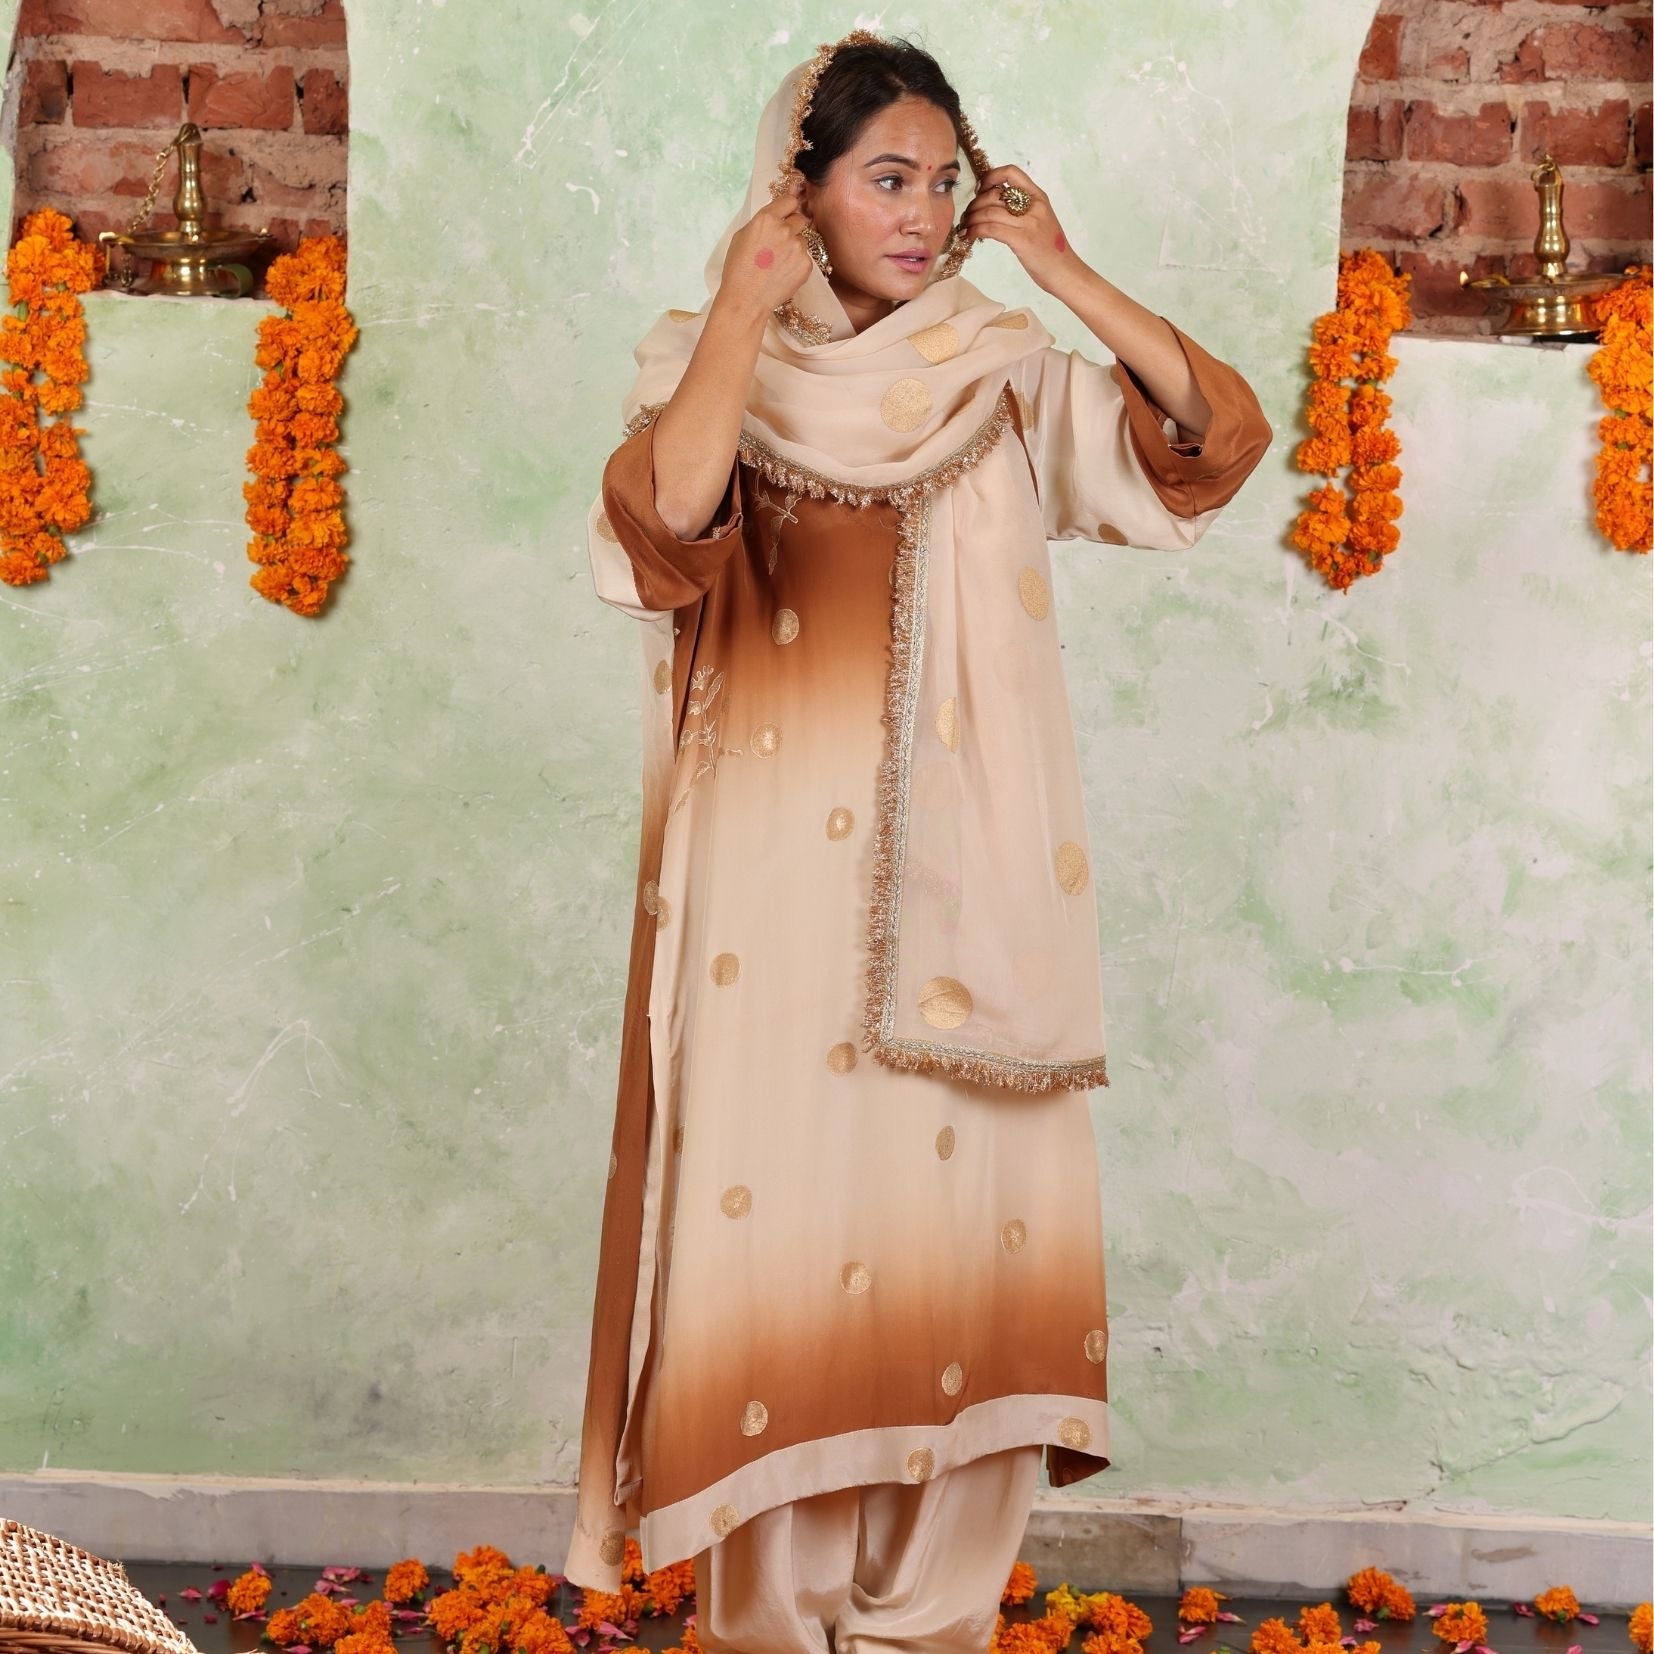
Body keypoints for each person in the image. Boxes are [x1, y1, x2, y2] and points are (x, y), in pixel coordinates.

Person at [565, 28, 1273, 1652]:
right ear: (795, 192)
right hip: (770, 898)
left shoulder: (1000, 370)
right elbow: (662, 534)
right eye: (885, 175)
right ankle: (775, 1627)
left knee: (966, 1251)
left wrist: (1061, 266)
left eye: (940, 180)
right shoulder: (706, 364)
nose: (920, 207)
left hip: (981, 897)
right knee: (787, 1252)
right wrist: (743, 309)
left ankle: (928, 1626)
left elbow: (1205, 446)